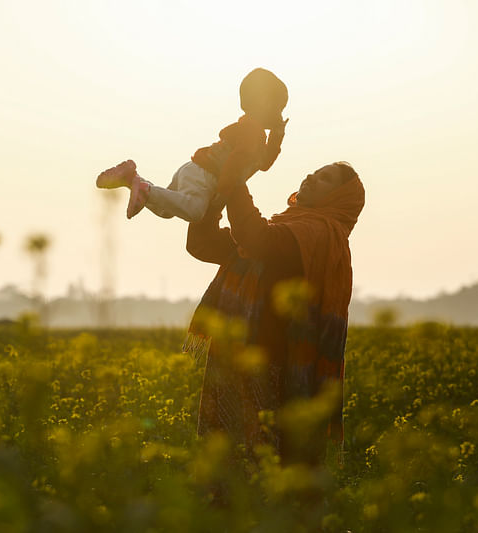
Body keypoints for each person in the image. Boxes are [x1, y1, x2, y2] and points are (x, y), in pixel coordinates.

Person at [184, 161, 365, 464]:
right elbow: (201, 244)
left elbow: (256, 238)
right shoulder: (286, 228)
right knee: (223, 471)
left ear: (337, 199)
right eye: (313, 172)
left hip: (271, 369)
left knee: (261, 470)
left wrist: (235, 182)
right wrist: (215, 196)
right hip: (233, 361)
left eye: (324, 180)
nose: (310, 177)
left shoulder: (317, 236)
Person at [95, 68, 288, 221]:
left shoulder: (251, 130)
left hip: (194, 170)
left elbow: (264, 164)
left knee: (166, 209)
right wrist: (223, 192)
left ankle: (132, 179)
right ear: (265, 103)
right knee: (195, 211)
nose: (279, 114)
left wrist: (277, 135)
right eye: (279, 107)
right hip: (205, 176)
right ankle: (146, 189)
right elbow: (236, 162)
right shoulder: (252, 132)